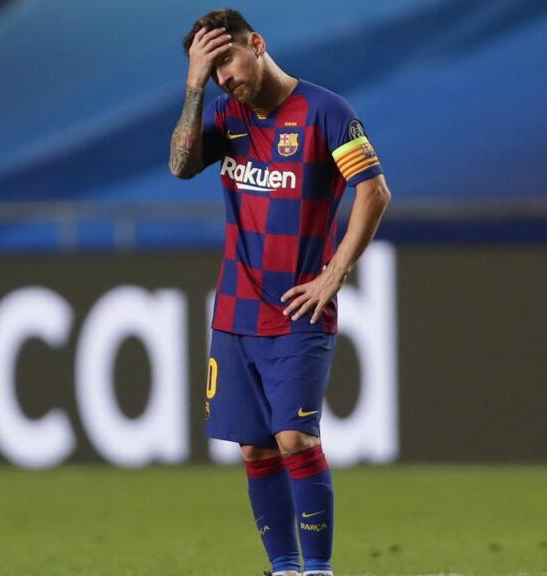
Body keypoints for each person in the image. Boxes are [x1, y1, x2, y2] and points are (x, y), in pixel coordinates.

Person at [168, 9, 391, 576]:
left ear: (257, 44)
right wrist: (193, 87)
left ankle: (318, 569)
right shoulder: (227, 115)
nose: (223, 77)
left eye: (224, 60)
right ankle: (284, 568)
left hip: (298, 310)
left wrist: (335, 273)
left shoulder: (325, 112)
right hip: (236, 312)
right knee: (255, 448)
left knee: (294, 435)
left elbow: (374, 192)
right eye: (208, 71)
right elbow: (180, 166)